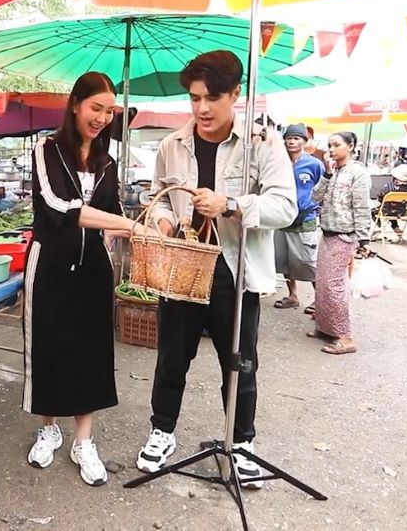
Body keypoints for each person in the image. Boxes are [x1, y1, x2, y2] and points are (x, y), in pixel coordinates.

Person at [134, 51, 296, 489]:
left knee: (239, 361)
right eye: (194, 98)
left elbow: (285, 206)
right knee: (172, 355)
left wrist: (232, 204)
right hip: (183, 266)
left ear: (235, 94)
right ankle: (162, 431)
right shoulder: (172, 145)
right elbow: (158, 197)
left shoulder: (262, 142)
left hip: (235, 270)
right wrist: (163, 219)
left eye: (212, 98)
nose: (202, 108)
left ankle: (241, 443)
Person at [23, 71, 151, 486]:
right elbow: (59, 206)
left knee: (92, 350)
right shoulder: (46, 149)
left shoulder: (107, 161)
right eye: (96, 108)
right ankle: (49, 428)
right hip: (51, 262)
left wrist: (139, 227)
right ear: (76, 104)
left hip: (94, 265)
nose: (102, 118)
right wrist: (127, 225)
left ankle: (84, 440)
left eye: (109, 111)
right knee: (49, 345)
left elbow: (111, 212)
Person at [309, 132, 372, 355]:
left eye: (336, 145)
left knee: (334, 286)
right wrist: (326, 174)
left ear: (351, 146)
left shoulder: (358, 173)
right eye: (329, 145)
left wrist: (364, 238)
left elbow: (362, 207)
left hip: (344, 235)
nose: (331, 149)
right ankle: (325, 328)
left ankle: (345, 338)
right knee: (323, 283)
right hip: (327, 233)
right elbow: (314, 198)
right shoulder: (333, 171)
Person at [273, 124, 325, 314]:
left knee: (308, 261)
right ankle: (293, 295)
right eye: (289, 138)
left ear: (304, 141)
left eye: (296, 138)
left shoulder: (314, 164)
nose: (292, 142)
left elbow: (323, 187)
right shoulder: (278, 163)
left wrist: (316, 207)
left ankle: (320, 300)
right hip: (282, 216)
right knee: (285, 259)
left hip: (305, 218)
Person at [374, 164, 407, 242]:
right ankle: (395, 227)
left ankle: (379, 227)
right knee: (392, 212)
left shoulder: (389, 186)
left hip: (386, 211)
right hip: (402, 212)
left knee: (373, 212)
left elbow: (380, 197)